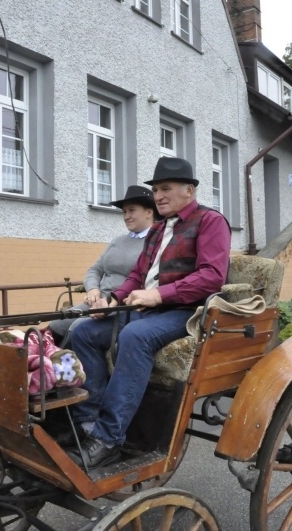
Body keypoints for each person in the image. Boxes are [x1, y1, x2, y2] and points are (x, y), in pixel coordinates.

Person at [66, 157, 231, 470]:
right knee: (83, 332)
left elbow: (212, 277)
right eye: (155, 190)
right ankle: (89, 424)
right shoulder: (157, 230)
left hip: (186, 312)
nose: (159, 196)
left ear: (189, 190)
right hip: (147, 308)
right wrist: (115, 298)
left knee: (134, 336)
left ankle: (109, 439)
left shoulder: (210, 221)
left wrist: (159, 295)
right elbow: (137, 275)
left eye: (166, 188)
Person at [47, 185, 159, 348]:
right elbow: (95, 270)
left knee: (76, 328)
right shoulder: (117, 241)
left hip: (121, 305)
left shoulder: (154, 243)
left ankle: (60, 367)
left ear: (149, 212)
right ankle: (39, 362)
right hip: (97, 301)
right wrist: (93, 289)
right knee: (58, 323)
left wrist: (110, 300)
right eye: (124, 212)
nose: (126, 216)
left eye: (132, 210)